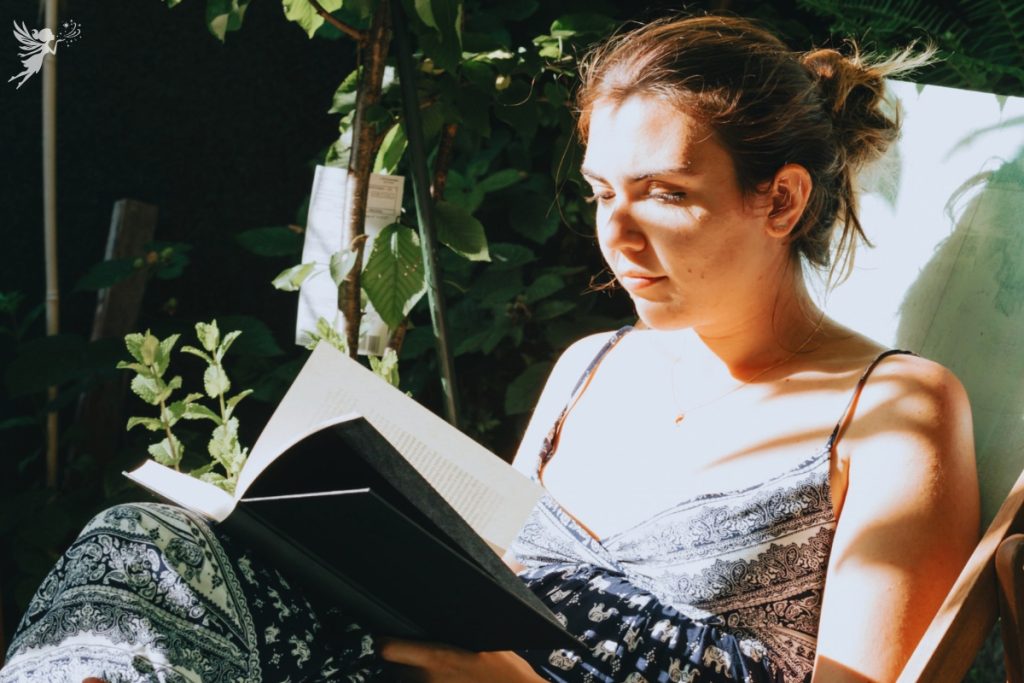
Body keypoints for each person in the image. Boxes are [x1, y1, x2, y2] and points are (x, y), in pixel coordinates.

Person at [1, 13, 978, 683]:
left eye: (667, 195)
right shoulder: (589, 368)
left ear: (781, 198)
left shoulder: (894, 409)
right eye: (603, 192)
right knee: (142, 548)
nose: (619, 237)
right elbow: (480, 590)